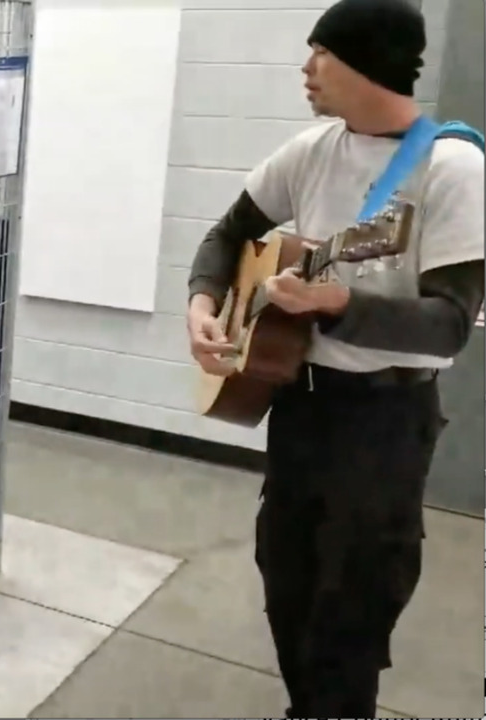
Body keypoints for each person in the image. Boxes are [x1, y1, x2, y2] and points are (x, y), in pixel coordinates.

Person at [184, 0, 485, 716]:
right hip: (299, 404)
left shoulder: (452, 168)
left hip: (384, 418)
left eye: (320, 52)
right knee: (283, 576)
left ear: (366, 61)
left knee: (354, 601)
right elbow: (226, 236)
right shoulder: (311, 150)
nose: (305, 67)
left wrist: (336, 306)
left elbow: (447, 326)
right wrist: (201, 304)